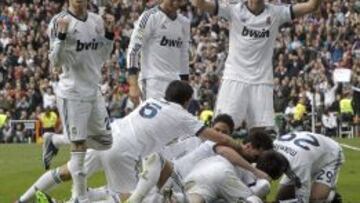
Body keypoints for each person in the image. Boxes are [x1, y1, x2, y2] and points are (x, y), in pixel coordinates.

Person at [18, 81, 243, 203]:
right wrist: (240, 145)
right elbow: (218, 136)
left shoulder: (154, 100)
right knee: (131, 198)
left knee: (66, 171)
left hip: (109, 135)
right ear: (187, 100)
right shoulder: (182, 115)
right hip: (123, 151)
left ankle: (22, 200)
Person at [191, 0, 324, 131]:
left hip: (262, 81)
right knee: (222, 127)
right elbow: (199, 3)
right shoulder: (233, 9)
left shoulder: (276, 12)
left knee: (259, 134)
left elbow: (312, 6)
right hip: (234, 77)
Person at [32, 0, 115, 202]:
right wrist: (61, 35)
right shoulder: (59, 21)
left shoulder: (97, 20)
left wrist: (110, 34)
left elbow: (104, 55)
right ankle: (80, 197)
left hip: (93, 90)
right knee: (79, 145)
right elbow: (55, 61)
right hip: (72, 91)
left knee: (105, 141)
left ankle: (55, 139)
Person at [126, 115, 273, 203]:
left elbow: (251, 191)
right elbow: (225, 151)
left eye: (224, 132)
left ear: (231, 134)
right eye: (217, 130)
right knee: (155, 159)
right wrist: (255, 170)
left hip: (187, 184)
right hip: (175, 177)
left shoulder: (240, 166)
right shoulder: (217, 144)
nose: (219, 134)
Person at [127, 0, 191, 104]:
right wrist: (133, 84)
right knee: (151, 120)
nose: (175, 3)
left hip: (175, 83)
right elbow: (133, 49)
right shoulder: (149, 17)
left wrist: (185, 85)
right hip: (152, 82)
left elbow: (184, 56)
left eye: (179, 1)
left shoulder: (184, 22)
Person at [274, 131, 344, 203]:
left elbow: (303, 199)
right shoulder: (272, 148)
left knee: (315, 199)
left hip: (329, 154)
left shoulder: (299, 164)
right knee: (281, 197)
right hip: (306, 155)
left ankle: (331, 198)